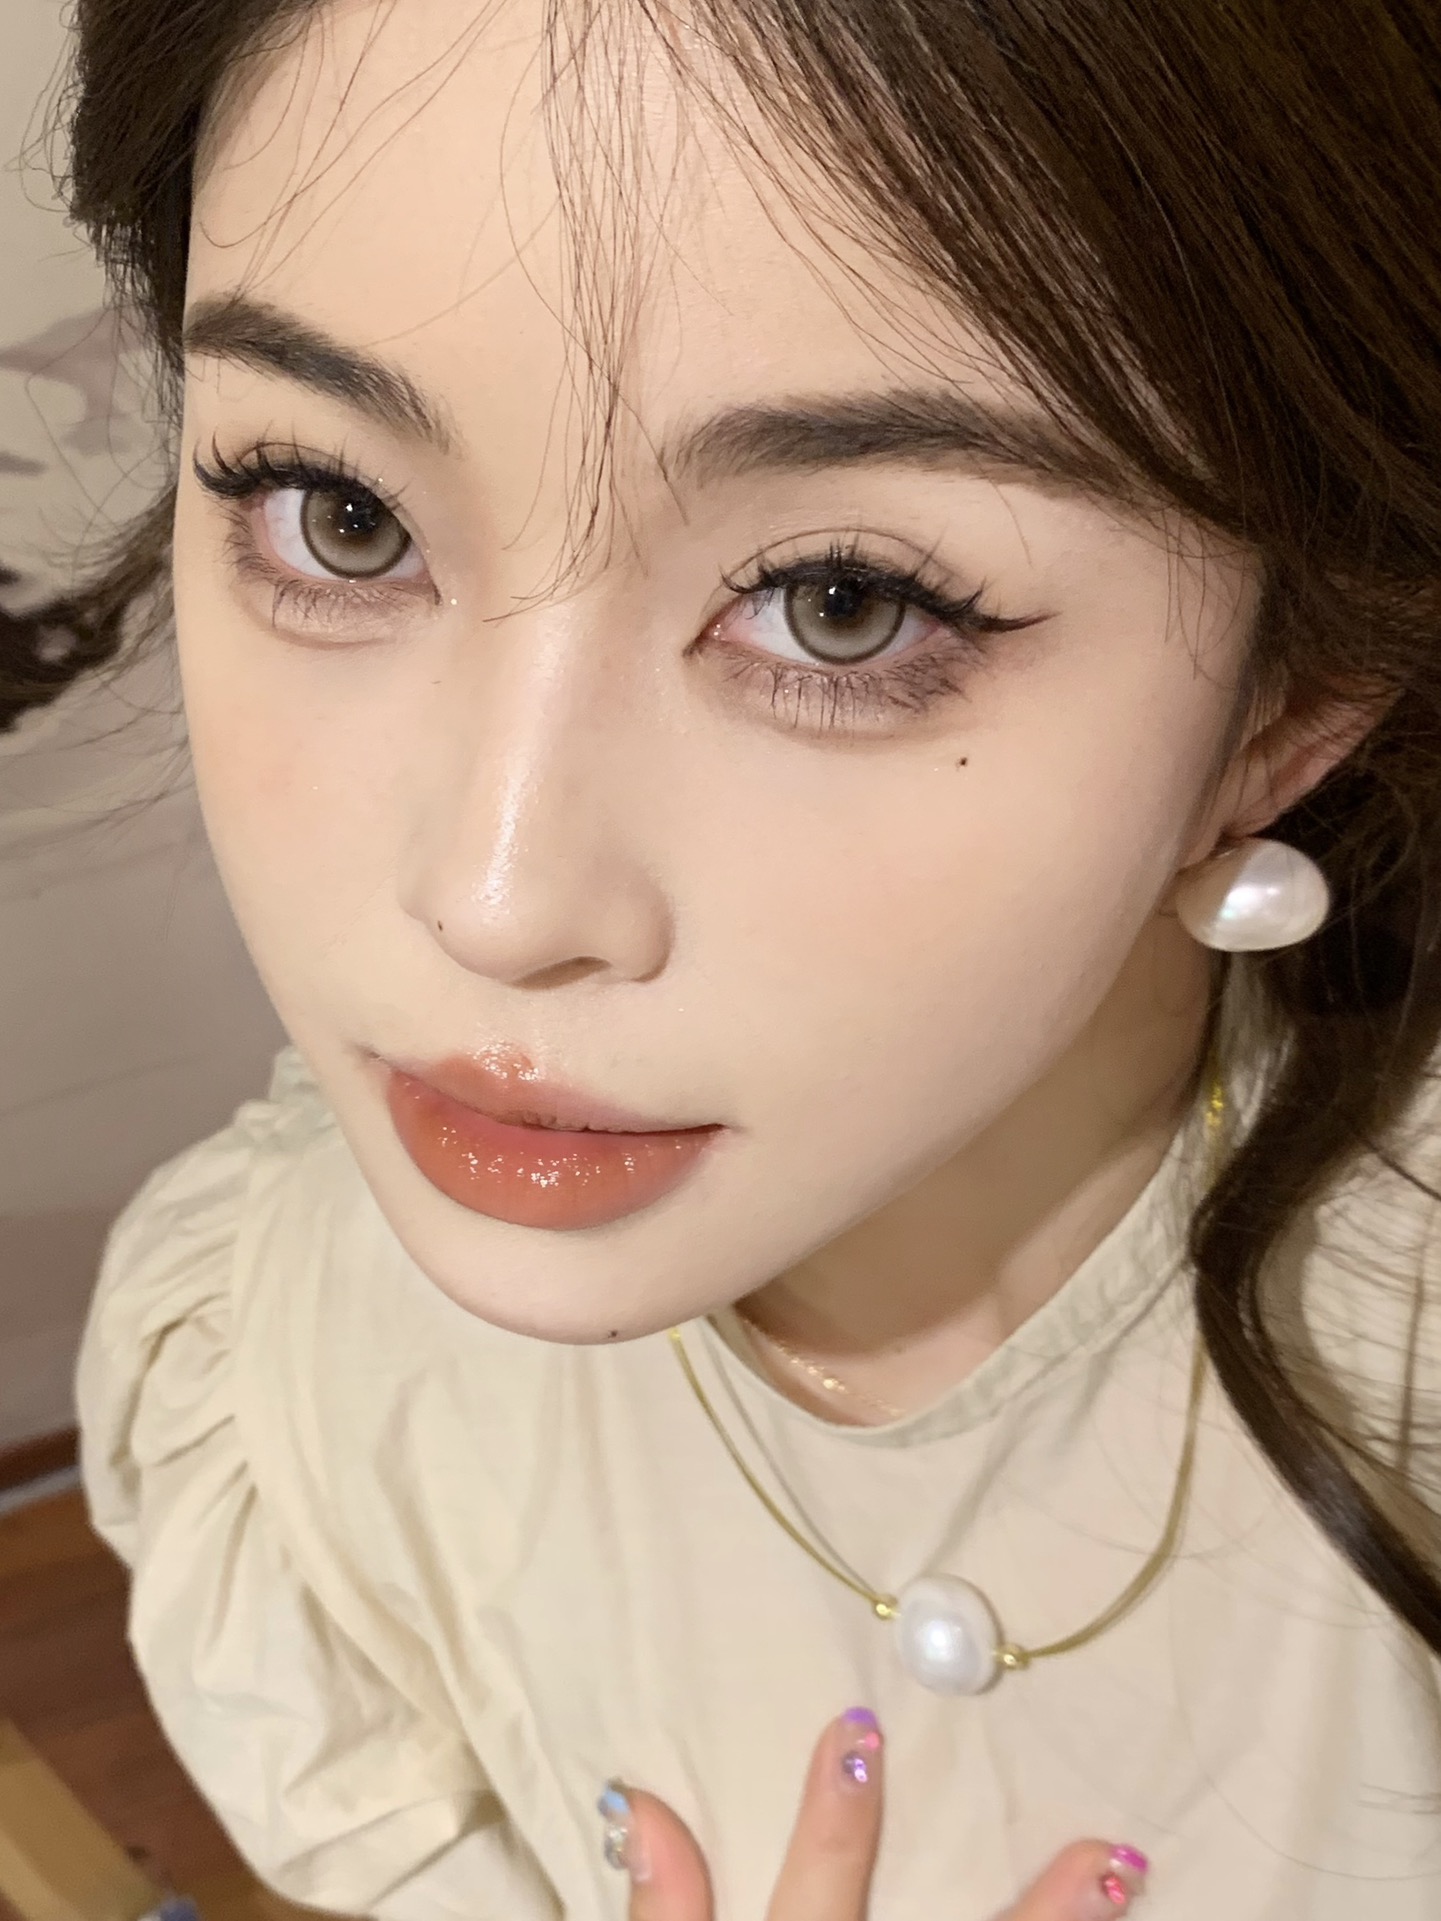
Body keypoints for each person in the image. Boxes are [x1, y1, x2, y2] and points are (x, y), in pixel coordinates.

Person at [59, 0, 1441, 1914]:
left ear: (1291, 698)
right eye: (342, 516)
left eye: (840, 604)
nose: (495, 897)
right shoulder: (285, 1367)